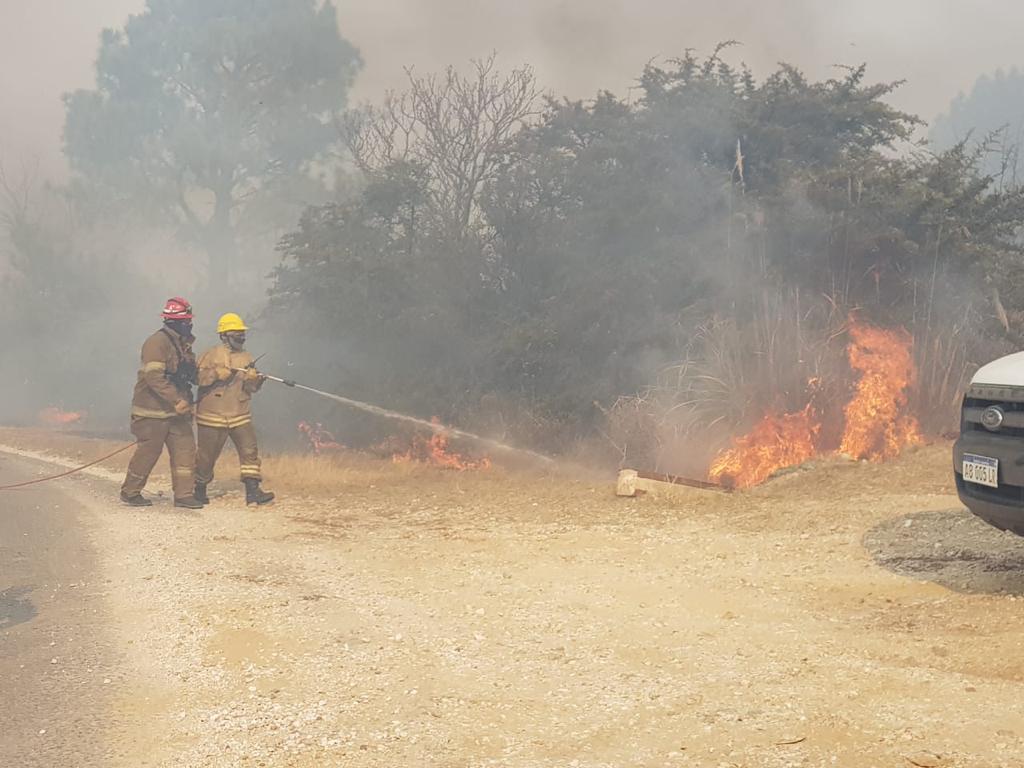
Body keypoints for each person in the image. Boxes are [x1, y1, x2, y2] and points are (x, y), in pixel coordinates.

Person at [121, 297, 203, 509]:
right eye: (187, 321)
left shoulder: (183, 345)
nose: (190, 325)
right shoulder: (156, 343)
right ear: (176, 322)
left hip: (176, 413)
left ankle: (184, 495)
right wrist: (176, 399)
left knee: (185, 451)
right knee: (148, 454)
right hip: (152, 413)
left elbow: (190, 374)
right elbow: (154, 377)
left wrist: (216, 375)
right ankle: (130, 492)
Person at [193, 313, 275, 506]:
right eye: (236, 332)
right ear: (224, 335)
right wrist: (216, 374)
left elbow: (250, 389)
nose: (240, 336)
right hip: (212, 415)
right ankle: (199, 490)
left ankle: (253, 491)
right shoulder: (210, 354)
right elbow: (197, 379)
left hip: (240, 413)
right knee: (206, 456)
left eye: (241, 332)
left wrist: (255, 380)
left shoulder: (247, 356)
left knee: (249, 452)